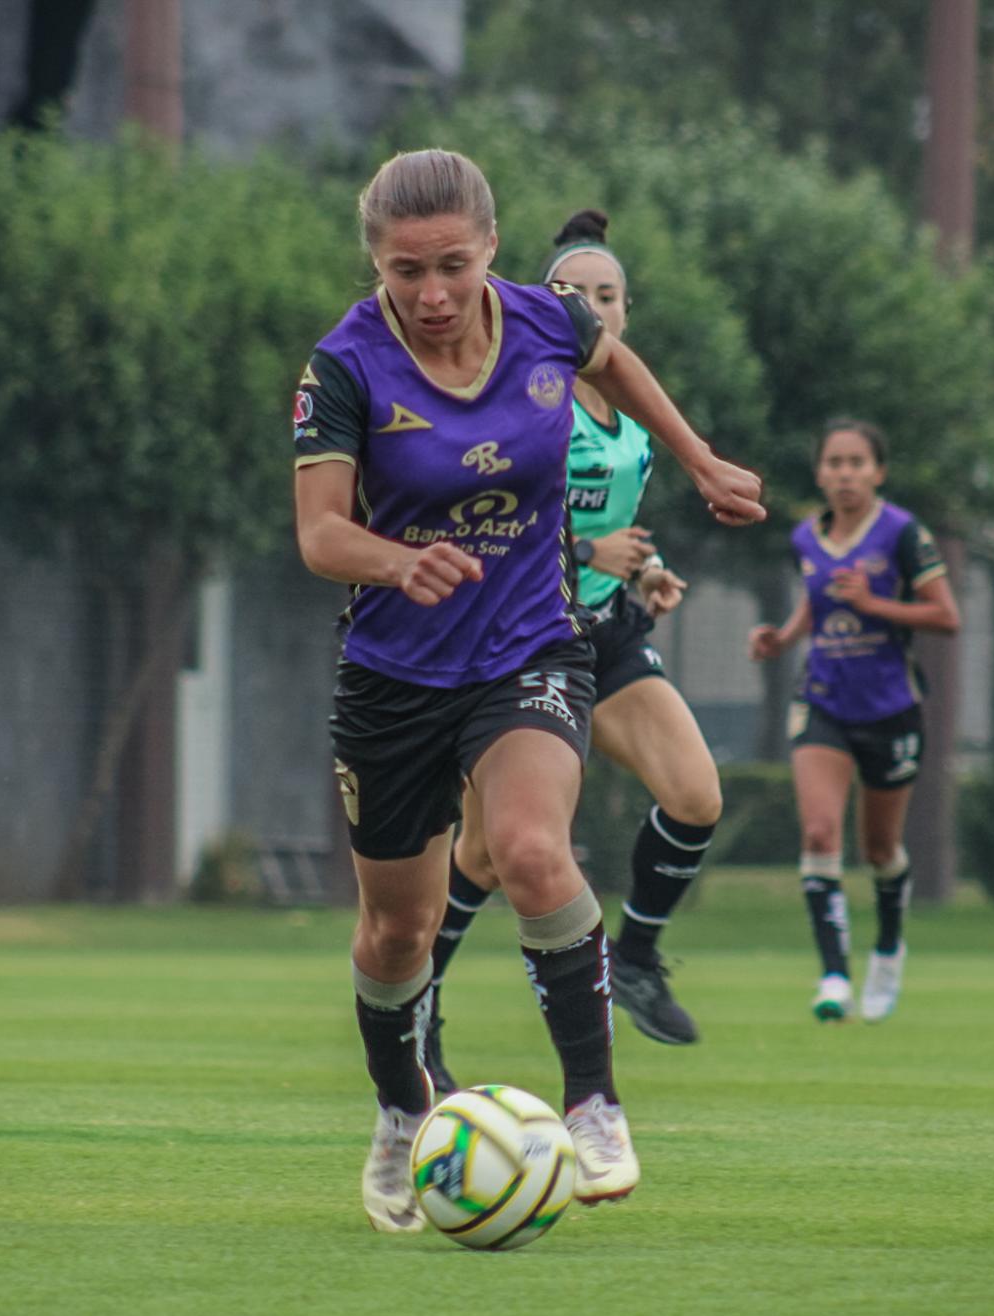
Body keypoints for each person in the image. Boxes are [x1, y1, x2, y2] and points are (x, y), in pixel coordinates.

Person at [294, 148, 766, 1232]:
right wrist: (393, 560)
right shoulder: (344, 366)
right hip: (393, 678)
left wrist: (698, 460)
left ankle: (593, 1101)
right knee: (394, 935)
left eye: (451, 265)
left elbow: (615, 365)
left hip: (526, 647)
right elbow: (319, 531)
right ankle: (397, 1110)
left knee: (530, 849)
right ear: (375, 261)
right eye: (404, 270)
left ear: (490, 249)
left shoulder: (546, 319)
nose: (430, 294)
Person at [423, 208, 726, 1080]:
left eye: (607, 294)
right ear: (542, 309)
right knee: (482, 853)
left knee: (697, 795)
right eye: (571, 293)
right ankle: (419, 1006)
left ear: (624, 313)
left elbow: (613, 522)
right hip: (522, 634)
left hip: (605, 632)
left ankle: (634, 959)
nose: (591, 306)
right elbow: (491, 518)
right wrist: (590, 552)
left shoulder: (634, 414)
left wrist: (646, 568)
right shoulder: (525, 399)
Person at [748, 419, 959, 1023]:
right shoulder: (805, 538)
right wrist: (781, 638)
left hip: (891, 708)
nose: (845, 474)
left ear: (878, 472)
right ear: (820, 473)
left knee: (880, 847)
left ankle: (888, 950)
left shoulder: (902, 534)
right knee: (819, 833)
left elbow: (947, 616)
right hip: (823, 702)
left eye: (857, 463)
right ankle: (834, 973)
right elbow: (816, 599)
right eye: (834, 463)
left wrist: (874, 604)